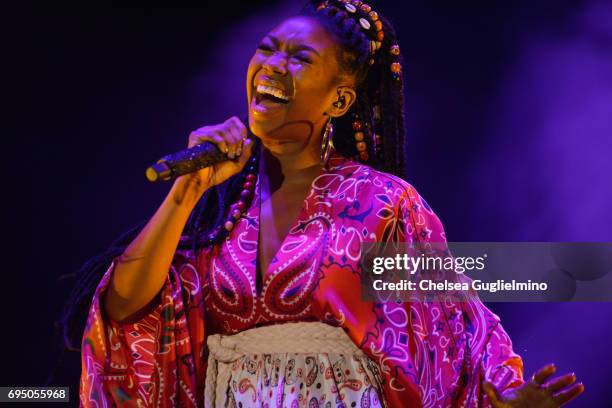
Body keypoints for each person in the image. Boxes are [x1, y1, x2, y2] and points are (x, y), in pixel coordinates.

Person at [65, 1, 584, 406]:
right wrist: (187, 193)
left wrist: (504, 392)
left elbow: (459, 327)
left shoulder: (382, 203)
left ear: (339, 100)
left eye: (299, 57)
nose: (272, 64)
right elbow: (125, 309)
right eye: (267, 48)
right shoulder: (218, 210)